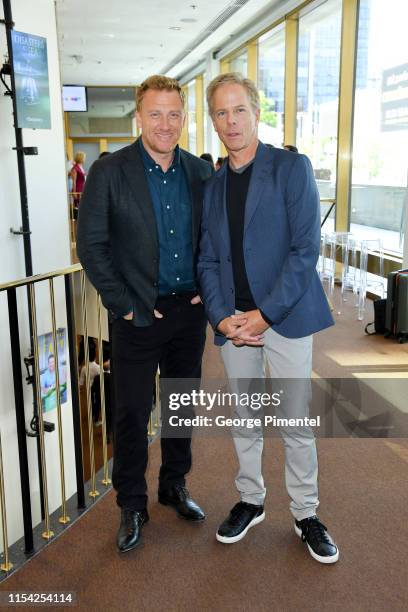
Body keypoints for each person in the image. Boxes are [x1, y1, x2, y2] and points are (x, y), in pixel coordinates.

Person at [197, 72, 338, 563]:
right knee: (245, 418)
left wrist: (264, 315)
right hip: (234, 323)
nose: (231, 121)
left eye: (239, 110)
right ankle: (251, 500)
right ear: (212, 120)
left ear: (257, 112)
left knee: (295, 421)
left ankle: (305, 512)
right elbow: (208, 261)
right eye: (221, 112)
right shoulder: (213, 187)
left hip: (284, 317)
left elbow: (305, 249)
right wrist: (221, 318)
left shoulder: (290, 168)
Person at [77, 75, 213, 553]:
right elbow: (91, 247)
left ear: (183, 117)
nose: (165, 123)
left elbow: (213, 240)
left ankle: (174, 484)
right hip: (137, 315)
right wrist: (126, 305)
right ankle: (131, 502)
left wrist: (206, 287)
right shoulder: (110, 171)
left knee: (180, 404)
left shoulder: (200, 172)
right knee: (132, 412)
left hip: (188, 312)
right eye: (155, 113)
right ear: (139, 116)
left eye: (174, 113)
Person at [70, 151, 87, 215]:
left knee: (82, 206)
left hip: (82, 189)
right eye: (84, 157)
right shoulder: (75, 168)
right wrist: (74, 192)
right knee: (78, 207)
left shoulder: (81, 167)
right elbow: (73, 181)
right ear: (81, 158)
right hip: (77, 189)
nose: (85, 159)